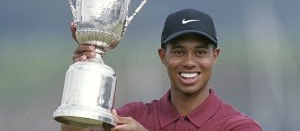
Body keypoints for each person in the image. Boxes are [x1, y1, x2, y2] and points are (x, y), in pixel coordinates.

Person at [62, 9, 263, 131]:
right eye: (178, 52)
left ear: (215, 56)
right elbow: (77, 128)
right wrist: (85, 69)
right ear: (162, 56)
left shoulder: (238, 126)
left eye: (200, 52)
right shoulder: (133, 115)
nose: (190, 62)